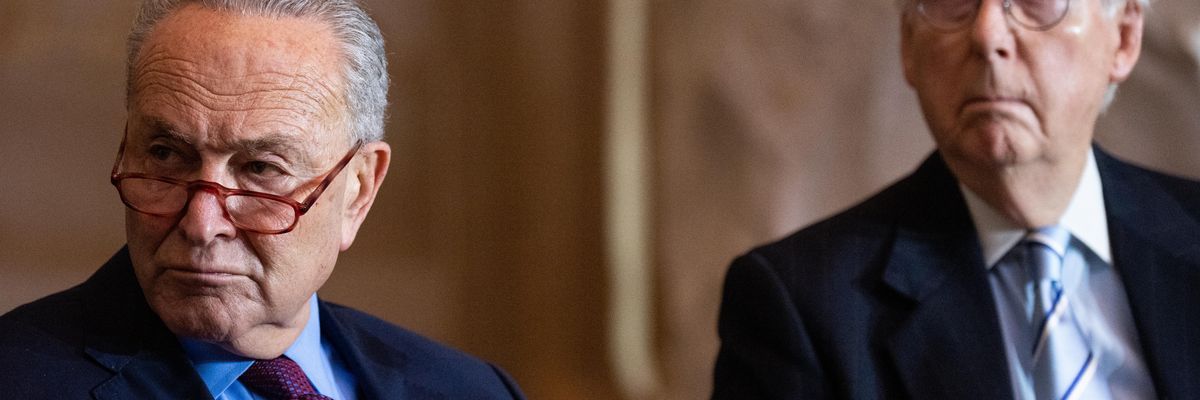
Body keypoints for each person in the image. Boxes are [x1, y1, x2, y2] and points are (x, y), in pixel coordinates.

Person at [0, 1, 525, 399]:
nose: (202, 225)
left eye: (260, 170)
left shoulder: (472, 389)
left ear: (359, 190)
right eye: (165, 155)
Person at [712, 0, 1200, 398]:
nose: (987, 35)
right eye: (950, 3)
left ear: (1124, 37)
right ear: (907, 46)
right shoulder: (802, 308)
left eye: (1034, 3)